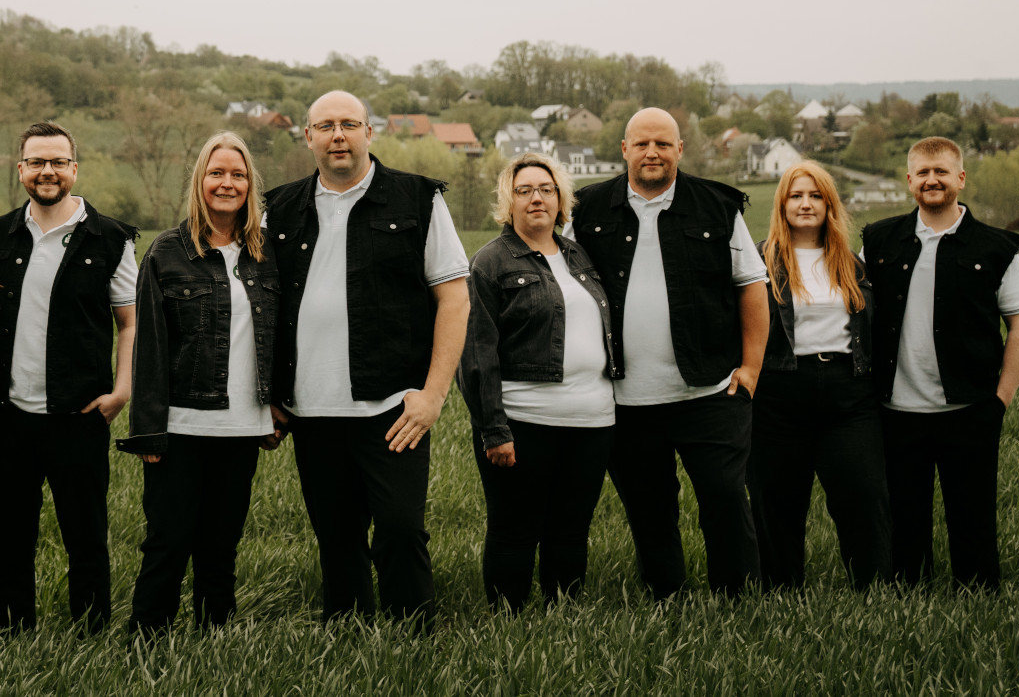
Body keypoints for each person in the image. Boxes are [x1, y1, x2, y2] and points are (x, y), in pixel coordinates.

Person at [264, 90, 470, 629]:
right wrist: (268, 394)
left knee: (402, 529)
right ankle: (348, 637)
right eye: (325, 126)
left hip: (393, 407)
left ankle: (414, 639)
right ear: (307, 136)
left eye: (349, 124)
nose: (338, 135)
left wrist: (433, 395)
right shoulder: (277, 207)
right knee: (336, 535)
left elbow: (453, 297)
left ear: (368, 133)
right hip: (311, 407)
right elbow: (256, 307)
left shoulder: (418, 199)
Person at [570, 107, 768, 599]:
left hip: (710, 390)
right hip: (626, 397)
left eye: (662, 143)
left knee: (724, 498)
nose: (652, 152)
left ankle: (738, 598)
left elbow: (751, 286)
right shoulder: (586, 210)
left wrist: (751, 367)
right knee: (649, 507)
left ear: (680, 149)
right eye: (642, 144)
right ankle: (667, 598)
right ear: (624, 150)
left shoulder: (718, 207)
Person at [118, 132, 286, 633]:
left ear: (250, 185)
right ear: (200, 181)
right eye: (217, 173)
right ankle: (147, 635)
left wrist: (278, 407)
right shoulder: (167, 252)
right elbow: (148, 345)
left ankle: (216, 634)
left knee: (221, 543)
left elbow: (283, 336)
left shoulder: (266, 254)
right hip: (181, 426)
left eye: (238, 175)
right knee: (167, 540)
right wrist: (148, 428)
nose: (227, 183)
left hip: (243, 427)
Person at [0, 122, 137, 633]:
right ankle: (11, 629)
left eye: (58, 162)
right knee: (10, 533)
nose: (47, 171)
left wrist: (122, 391)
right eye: (36, 162)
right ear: (21, 168)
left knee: (86, 534)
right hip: (8, 416)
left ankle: (91, 631)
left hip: (79, 413)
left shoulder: (112, 238)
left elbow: (130, 322)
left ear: (74, 168)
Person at [862, 137, 1019, 590]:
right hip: (897, 411)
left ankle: (977, 593)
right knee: (905, 517)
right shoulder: (879, 240)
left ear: (960, 178)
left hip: (971, 409)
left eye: (941, 171)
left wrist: (1000, 400)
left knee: (973, 516)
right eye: (922, 172)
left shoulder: (996, 248)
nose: (931, 180)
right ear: (909, 181)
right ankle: (909, 593)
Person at [458, 152, 616, 611]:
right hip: (524, 422)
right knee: (515, 528)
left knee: (571, 527)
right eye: (524, 191)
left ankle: (562, 616)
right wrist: (494, 428)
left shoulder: (579, 254)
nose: (536, 199)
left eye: (546, 190)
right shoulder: (489, 263)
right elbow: (476, 353)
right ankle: (509, 621)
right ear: (509, 203)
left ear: (561, 199)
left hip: (593, 421)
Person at [749, 162, 890, 590]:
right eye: (796, 196)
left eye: (815, 196)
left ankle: (873, 588)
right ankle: (781, 591)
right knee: (777, 501)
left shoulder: (853, 264)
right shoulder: (759, 262)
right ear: (782, 204)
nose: (806, 204)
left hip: (849, 393)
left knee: (863, 496)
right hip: (779, 390)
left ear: (829, 205)